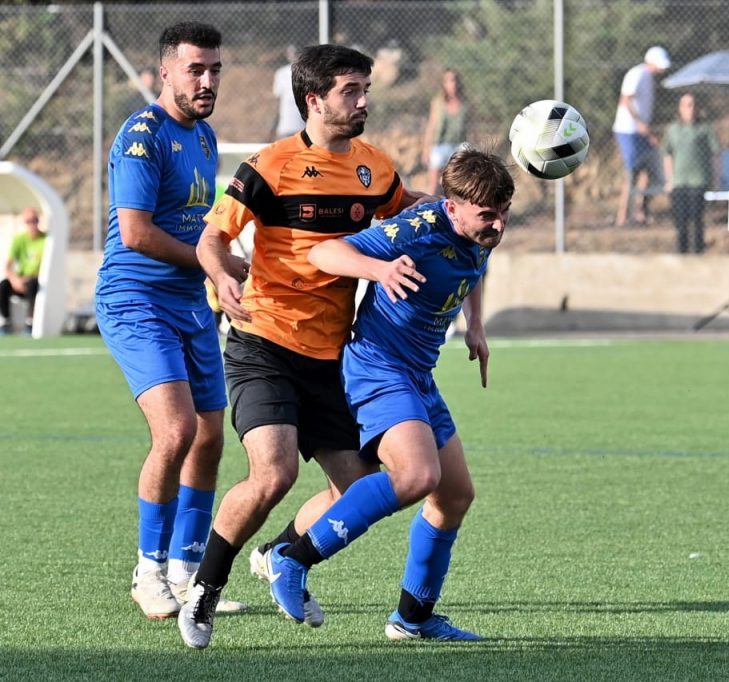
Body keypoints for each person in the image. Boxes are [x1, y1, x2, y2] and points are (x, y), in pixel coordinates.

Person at [178, 43, 433, 650]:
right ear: (314, 100)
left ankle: (281, 554)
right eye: (351, 91)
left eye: (365, 89)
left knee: (361, 487)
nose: (363, 101)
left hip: (332, 355)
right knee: (274, 473)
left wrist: (461, 210)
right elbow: (212, 239)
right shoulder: (270, 165)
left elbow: (411, 212)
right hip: (263, 342)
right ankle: (204, 588)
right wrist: (221, 274)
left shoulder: (374, 167)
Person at [259, 147, 513, 643]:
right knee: (417, 475)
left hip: (417, 373)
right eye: (488, 215)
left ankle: (413, 618)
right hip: (377, 367)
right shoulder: (417, 228)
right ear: (452, 206)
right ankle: (291, 559)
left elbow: (475, 263)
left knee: (455, 495)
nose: (499, 225)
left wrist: (476, 324)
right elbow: (323, 254)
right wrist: (379, 271)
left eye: (505, 212)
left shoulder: (481, 228)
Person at [94, 22, 248, 618]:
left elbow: (201, 228)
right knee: (177, 432)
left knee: (209, 437)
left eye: (215, 70)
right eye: (195, 70)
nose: (207, 81)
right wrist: (214, 263)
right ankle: (149, 572)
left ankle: (186, 573)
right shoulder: (143, 134)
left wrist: (221, 265)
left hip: (188, 303)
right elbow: (135, 234)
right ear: (165, 72)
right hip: (136, 299)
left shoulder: (204, 136)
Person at [613, 46, 671, 227]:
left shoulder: (649, 78)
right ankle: (622, 216)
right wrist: (638, 123)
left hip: (642, 131)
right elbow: (625, 100)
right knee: (632, 171)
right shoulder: (636, 74)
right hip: (628, 131)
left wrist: (645, 128)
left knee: (648, 170)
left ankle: (640, 211)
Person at [661, 92, 718, 253]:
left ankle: (698, 251)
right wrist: (669, 179)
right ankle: (682, 252)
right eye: (686, 105)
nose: (690, 109)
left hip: (698, 180)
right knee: (681, 221)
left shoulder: (705, 129)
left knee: (697, 219)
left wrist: (715, 179)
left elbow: (715, 154)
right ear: (680, 108)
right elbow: (667, 155)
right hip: (679, 181)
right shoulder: (672, 130)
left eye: (692, 105)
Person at [422, 68, 469, 195]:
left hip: (459, 145)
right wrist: (426, 149)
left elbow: (472, 127)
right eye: (448, 80)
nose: (452, 84)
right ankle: (429, 204)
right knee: (433, 185)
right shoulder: (437, 103)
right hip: (440, 145)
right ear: (443, 84)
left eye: (454, 80)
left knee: (461, 184)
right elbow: (431, 126)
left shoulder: (465, 103)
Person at [0, 207, 46, 335]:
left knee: (32, 284)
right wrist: (15, 280)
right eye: (28, 221)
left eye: (34, 220)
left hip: (35, 280)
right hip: (20, 280)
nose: (32, 224)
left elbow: (48, 267)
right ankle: (5, 321)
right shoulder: (19, 240)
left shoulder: (45, 240)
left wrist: (30, 278)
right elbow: (8, 266)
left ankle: (30, 322)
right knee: (3, 285)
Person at [270, 45, 305, 140]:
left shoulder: (308, 72)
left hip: (302, 124)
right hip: (286, 123)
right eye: (290, 52)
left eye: (296, 52)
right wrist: (274, 125)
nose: (293, 55)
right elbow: (278, 100)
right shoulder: (281, 73)